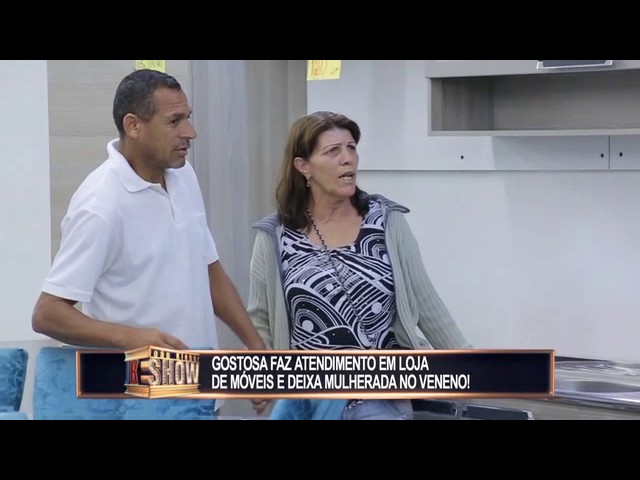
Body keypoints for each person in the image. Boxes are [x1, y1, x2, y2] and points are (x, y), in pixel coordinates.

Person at [247, 110, 471, 420]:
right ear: (303, 166)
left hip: (380, 397)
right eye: (333, 151)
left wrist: (474, 367)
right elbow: (260, 321)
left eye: (351, 148)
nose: (347, 159)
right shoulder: (275, 236)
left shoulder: (386, 222)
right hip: (310, 401)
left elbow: (427, 304)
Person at [32, 68, 265, 356]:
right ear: (133, 126)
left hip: (199, 377)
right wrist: (130, 337)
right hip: (137, 382)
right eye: (174, 121)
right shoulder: (99, 205)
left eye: (188, 118)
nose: (190, 133)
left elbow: (209, 270)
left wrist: (257, 347)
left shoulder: (184, 175)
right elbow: (47, 313)